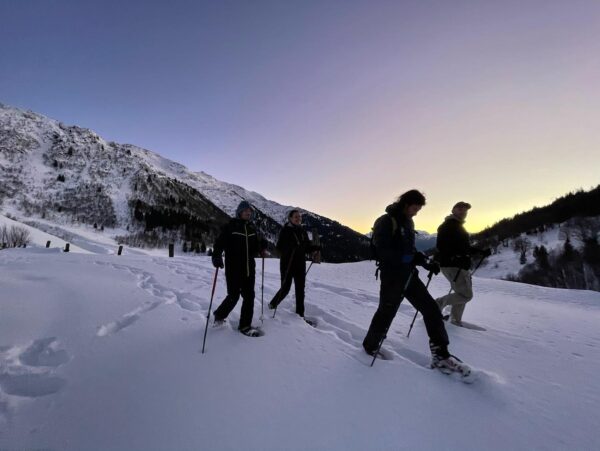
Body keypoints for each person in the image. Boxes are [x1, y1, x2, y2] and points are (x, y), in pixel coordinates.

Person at [363, 190, 464, 372]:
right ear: (406, 204)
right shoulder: (386, 221)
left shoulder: (408, 222)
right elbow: (381, 251)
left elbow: (410, 250)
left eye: (418, 209)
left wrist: (425, 262)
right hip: (392, 277)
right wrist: (405, 258)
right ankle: (370, 346)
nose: (416, 212)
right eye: (415, 208)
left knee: (431, 309)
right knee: (386, 312)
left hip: (409, 275)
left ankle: (441, 354)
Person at [211, 200, 268, 337]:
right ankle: (219, 315)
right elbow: (219, 244)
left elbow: (254, 249)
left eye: (250, 211)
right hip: (233, 268)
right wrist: (216, 256)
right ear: (239, 212)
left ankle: (245, 325)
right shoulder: (231, 227)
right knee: (234, 296)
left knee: (249, 297)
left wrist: (261, 247)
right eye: (245, 210)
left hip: (249, 268)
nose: (248, 213)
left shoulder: (252, 229)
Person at [434, 202, 491, 326]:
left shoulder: (457, 226)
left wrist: (480, 252)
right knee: (466, 295)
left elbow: (464, 247)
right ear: (453, 210)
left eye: (465, 210)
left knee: (461, 293)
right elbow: (441, 246)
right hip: (453, 265)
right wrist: (456, 256)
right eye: (460, 209)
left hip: (458, 265)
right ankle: (438, 303)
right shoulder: (448, 225)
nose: (463, 212)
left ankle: (455, 320)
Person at [268, 209, 320, 321]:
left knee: (300, 290)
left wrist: (314, 249)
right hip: (287, 264)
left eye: (299, 217)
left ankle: (300, 315)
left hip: (300, 264)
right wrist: (290, 247)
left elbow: (306, 247)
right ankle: (272, 305)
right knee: (285, 288)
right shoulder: (285, 231)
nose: (298, 219)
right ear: (290, 218)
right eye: (296, 217)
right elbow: (279, 247)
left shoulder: (302, 231)